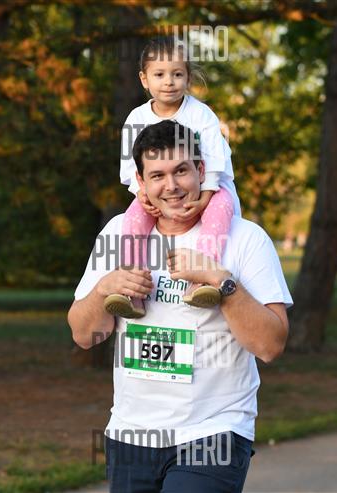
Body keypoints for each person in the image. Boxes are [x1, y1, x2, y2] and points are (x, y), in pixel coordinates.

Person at [68, 120, 292, 492]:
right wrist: (104, 289)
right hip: (131, 433)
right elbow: (83, 334)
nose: (171, 186)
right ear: (141, 182)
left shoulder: (246, 239)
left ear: (201, 171)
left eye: (181, 171)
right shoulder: (118, 234)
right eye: (157, 175)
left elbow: (271, 345)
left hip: (214, 431)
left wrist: (222, 283)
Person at [104, 35, 241, 319]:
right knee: (132, 220)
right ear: (144, 79)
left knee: (221, 209)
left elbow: (215, 160)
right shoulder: (136, 118)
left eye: (177, 74)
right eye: (160, 75)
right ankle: (132, 289)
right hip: (155, 192)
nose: (169, 82)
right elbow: (130, 167)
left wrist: (205, 197)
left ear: (188, 77)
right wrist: (141, 194)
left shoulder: (201, 115)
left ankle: (201, 281)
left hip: (209, 188)